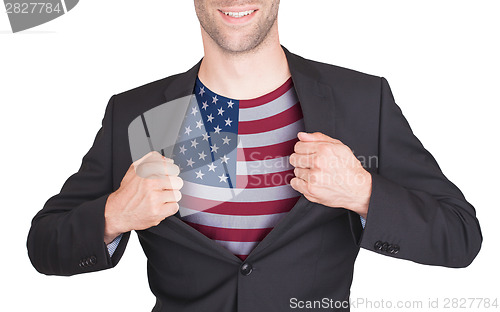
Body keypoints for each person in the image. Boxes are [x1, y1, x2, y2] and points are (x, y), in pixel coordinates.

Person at [27, 1, 482, 311]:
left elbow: (460, 236)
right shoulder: (137, 113)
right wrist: (114, 214)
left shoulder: (362, 101)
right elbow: (44, 245)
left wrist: (363, 192)